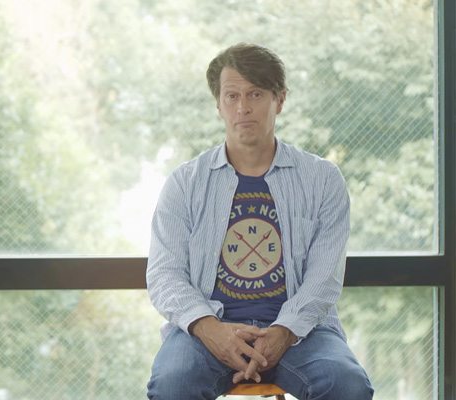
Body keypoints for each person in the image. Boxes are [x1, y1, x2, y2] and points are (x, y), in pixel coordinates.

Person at [145, 43, 373, 400]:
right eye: (231, 96)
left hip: (302, 332)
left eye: (255, 94)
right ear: (218, 105)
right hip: (208, 330)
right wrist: (210, 329)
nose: (243, 107)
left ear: (279, 100)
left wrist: (284, 330)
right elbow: (164, 274)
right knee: (173, 383)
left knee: (347, 384)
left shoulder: (322, 180)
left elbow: (324, 277)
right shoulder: (185, 184)